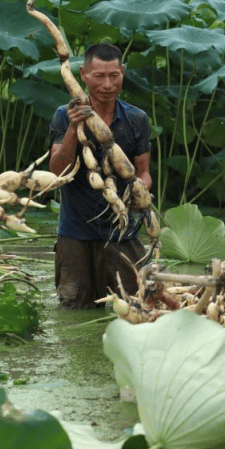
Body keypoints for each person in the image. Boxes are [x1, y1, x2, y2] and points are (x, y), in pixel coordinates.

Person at [47, 43, 152, 308]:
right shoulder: (64, 115)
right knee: (74, 310)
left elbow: (143, 173)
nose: (107, 84)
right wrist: (73, 128)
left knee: (138, 304)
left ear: (123, 72)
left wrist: (138, 194)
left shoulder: (136, 119)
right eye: (99, 76)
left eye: (114, 75)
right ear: (83, 74)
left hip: (122, 229)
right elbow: (57, 170)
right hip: (75, 232)